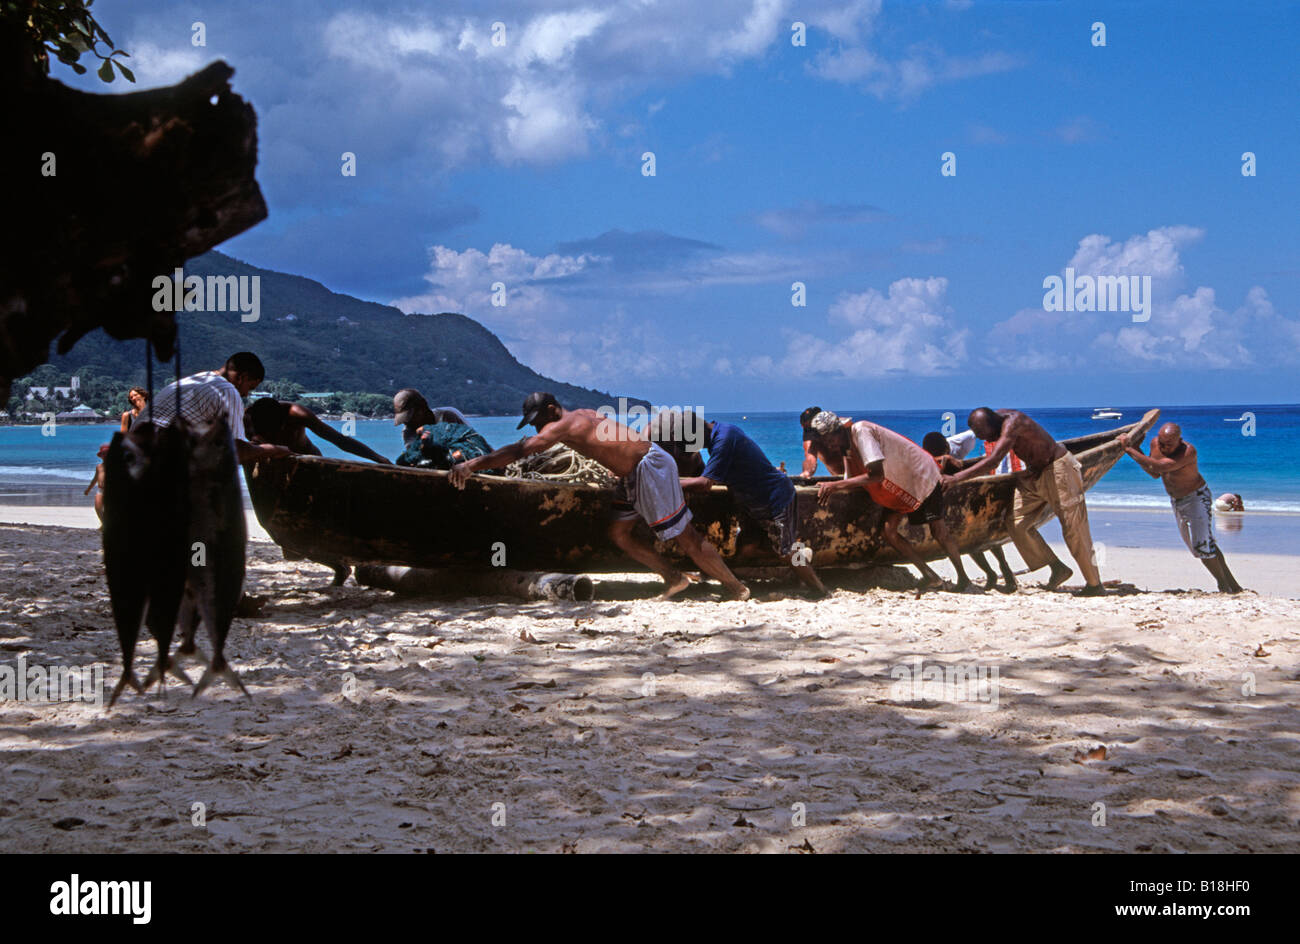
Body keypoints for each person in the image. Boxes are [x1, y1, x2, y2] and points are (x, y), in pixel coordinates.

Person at [448, 392, 750, 600]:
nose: (540, 427)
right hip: (633, 473)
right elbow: (611, 443)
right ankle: (674, 578)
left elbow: (521, 450)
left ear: (553, 410)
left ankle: (736, 588)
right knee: (618, 532)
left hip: (651, 468)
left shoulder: (563, 425)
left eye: (540, 420)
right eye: (535, 424)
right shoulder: (584, 414)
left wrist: (472, 465)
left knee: (685, 536)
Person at [662, 410, 827, 597]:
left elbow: (705, 483)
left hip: (776, 498)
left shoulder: (724, 439)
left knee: (788, 550)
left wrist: (665, 482)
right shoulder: (720, 433)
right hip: (754, 503)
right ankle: (798, 561)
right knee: (748, 548)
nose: (695, 449)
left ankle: (818, 589)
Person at [944, 407, 1102, 595]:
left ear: (993, 424)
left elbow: (994, 461)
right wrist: (960, 464)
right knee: (1016, 523)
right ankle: (1057, 567)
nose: (982, 440)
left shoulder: (1013, 423)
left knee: (1073, 528)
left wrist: (956, 479)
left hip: (1059, 470)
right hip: (1034, 473)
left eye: (984, 434)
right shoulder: (996, 420)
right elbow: (986, 447)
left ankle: (1094, 584)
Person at [810, 411, 972, 593]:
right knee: (888, 532)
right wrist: (837, 485)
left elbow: (877, 475)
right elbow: (851, 476)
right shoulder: (845, 443)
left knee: (939, 531)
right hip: (900, 483)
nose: (828, 444)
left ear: (838, 431)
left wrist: (835, 486)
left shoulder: (861, 432)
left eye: (829, 439)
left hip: (920, 476)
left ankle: (964, 579)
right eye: (824, 441)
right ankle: (931, 576)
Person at [1118, 422, 1243, 593]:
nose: (1164, 448)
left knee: (1202, 546)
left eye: (1169, 444)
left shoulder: (1188, 451)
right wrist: (1138, 448)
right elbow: (1155, 473)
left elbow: (1162, 466)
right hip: (1177, 500)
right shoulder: (1156, 444)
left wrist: (1129, 449)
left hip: (1196, 498)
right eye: (1162, 443)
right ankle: (1233, 586)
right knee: (1204, 544)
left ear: (1180, 440)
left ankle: (1224, 586)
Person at [139, 352, 291, 465]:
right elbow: (234, 452)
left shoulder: (196, 380)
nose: (245, 394)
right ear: (241, 377)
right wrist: (274, 449)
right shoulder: (227, 390)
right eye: (250, 388)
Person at [921, 431, 1017, 592]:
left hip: (965, 504)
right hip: (965, 505)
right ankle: (998, 573)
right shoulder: (938, 461)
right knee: (978, 542)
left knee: (973, 543)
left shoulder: (952, 453)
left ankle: (1000, 572)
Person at [245, 398, 392, 464]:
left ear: (284, 422)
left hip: (306, 461)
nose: (274, 436)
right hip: (271, 463)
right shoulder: (245, 418)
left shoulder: (297, 414)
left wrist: (378, 458)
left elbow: (339, 440)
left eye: (276, 431)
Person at [392, 389, 473, 445]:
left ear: (422, 408)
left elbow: (465, 445)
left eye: (410, 417)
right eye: (405, 419)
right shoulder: (408, 431)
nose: (407, 422)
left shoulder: (446, 416)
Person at [799, 405, 844, 477]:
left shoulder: (840, 426)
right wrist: (806, 472)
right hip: (840, 478)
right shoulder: (810, 438)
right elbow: (810, 456)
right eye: (808, 429)